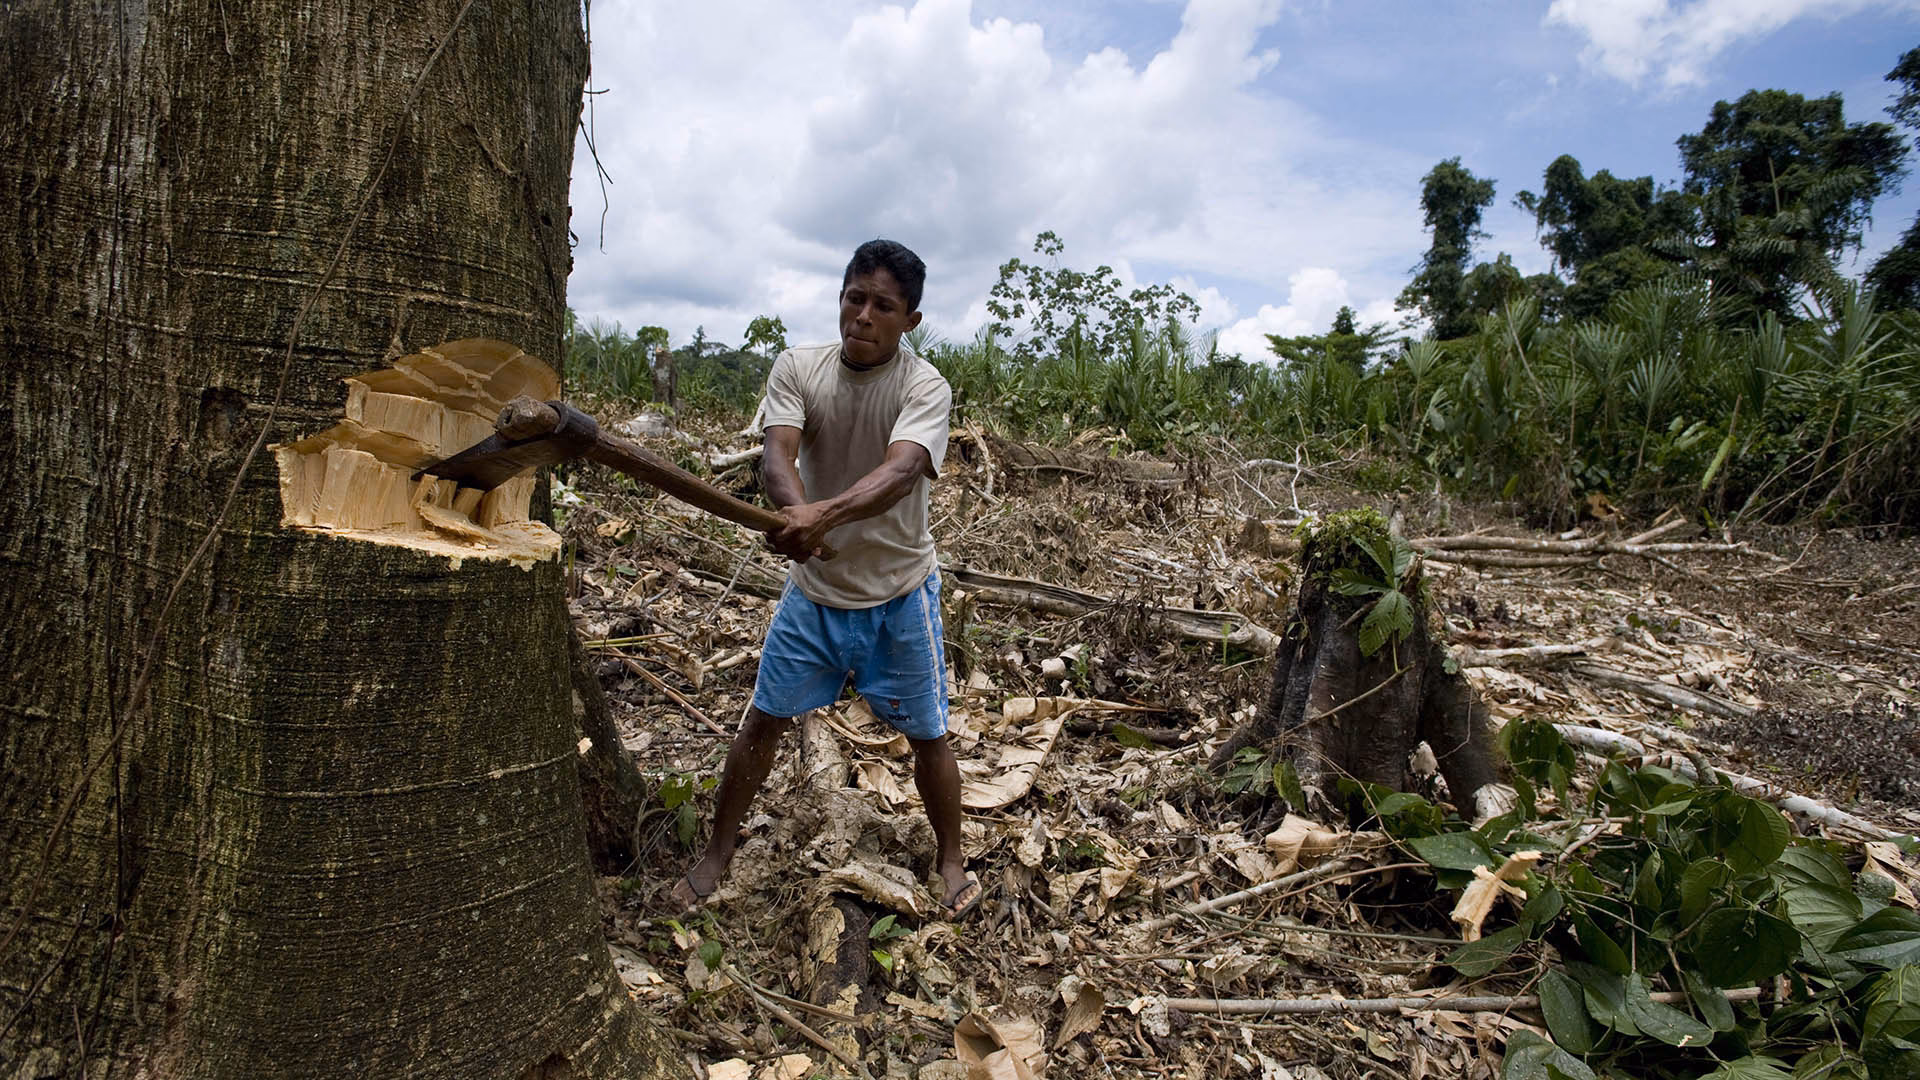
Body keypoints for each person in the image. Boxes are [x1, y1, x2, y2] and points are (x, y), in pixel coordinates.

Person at [670, 240, 979, 918]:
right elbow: (776, 454)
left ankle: (951, 859)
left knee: (928, 734)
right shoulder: (799, 368)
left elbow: (901, 472)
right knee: (763, 721)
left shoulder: (923, 386)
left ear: (911, 321)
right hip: (813, 595)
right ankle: (718, 853)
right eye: (854, 298)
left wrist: (820, 516)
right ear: (840, 297)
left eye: (883, 306)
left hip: (899, 593)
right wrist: (795, 512)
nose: (863, 316)